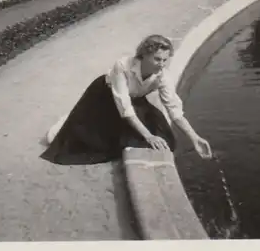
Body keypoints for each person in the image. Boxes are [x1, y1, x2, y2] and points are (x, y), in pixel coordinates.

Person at [40, 34, 212, 165]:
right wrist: (148, 136)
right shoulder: (123, 65)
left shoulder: (163, 76)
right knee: (92, 145)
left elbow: (174, 110)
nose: (161, 64)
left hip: (134, 100)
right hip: (104, 98)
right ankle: (69, 123)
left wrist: (195, 138)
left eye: (165, 60)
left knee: (164, 136)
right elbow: (125, 108)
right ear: (144, 55)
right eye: (157, 59)